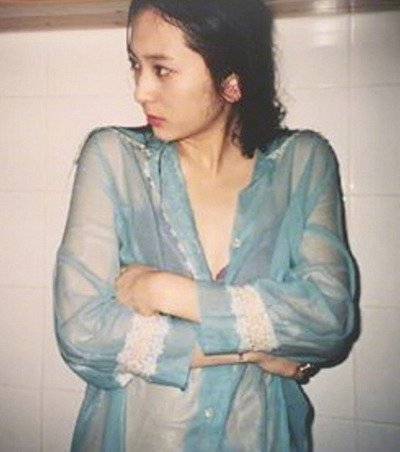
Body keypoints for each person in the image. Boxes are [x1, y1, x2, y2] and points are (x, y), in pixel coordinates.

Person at [54, 0, 357, 450]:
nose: (140, 91)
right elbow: (83, 333)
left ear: (230, 79)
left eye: (162, 69)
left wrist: (163, 290)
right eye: (136, 65)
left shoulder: (302, 164)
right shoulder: (114, 159)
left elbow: (329, 320)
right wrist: (256, 350)